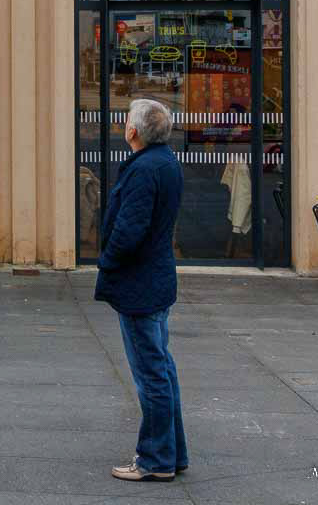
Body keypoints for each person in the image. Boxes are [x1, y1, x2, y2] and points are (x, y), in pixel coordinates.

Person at [96, 97, 188, 482]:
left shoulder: (144, 169)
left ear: (133, 131)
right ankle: (172, 452)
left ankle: (154, 459)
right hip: (156, 279)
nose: (123, 125)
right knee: (162, 369)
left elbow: (129, 230)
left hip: (139, 284)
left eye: (126, 121)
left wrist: (107, 260)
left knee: (151, 374)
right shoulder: (166, 162)